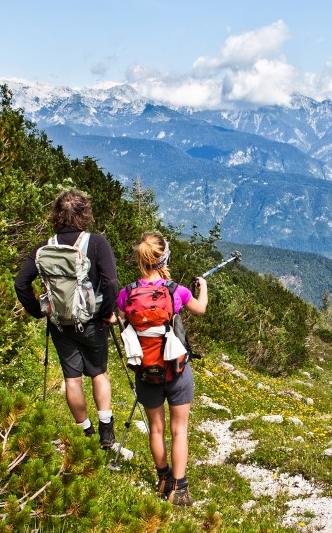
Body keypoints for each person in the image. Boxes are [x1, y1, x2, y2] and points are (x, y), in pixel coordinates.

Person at [14, 189, 119, 448]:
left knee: (72, 379)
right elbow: (111, 283)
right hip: (93, 322)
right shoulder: (96, 243)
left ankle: (85, 431)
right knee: (99, 373)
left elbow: (21, 283)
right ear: (85, 214)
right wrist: (107, 314)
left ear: (57, 215)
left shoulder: (45, 247)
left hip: (60, 324)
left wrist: (39, 311)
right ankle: (106, 430)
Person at [117, 233, 207, 506]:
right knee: (179, 429)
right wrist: (202, 286)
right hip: (177, 370)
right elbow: (200, 309)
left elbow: (120, 320)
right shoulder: (176, 291)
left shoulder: (127, 293)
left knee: (156, 429)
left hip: (146, 371)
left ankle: (163, 478)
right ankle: (179, 491)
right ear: (164, 258)